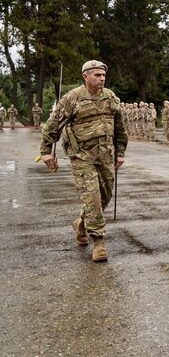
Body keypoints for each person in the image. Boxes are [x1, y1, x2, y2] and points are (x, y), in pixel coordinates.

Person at [39, 60, 128, 262]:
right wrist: (46, 152)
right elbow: (52, 126)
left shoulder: (110, 97)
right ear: (85, 76)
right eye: (97, 75)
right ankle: (99, 242)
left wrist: (120, 152)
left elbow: (119, 128)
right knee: (92, 197)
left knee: (105, 196)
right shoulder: (72, 98)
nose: (102, 78)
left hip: (105, 156)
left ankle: (81, 224)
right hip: (82, 157)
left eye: (103, 75)